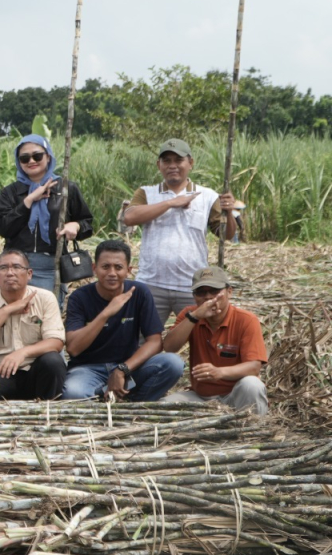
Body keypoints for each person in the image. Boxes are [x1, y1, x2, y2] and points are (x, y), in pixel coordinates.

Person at [121, 138, 237, 324]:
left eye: (178, 160)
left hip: (193, 285)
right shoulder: (146, 193)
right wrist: (170, 203)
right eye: (167, 161)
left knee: (202, 335)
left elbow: (226, 234)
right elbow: (130, 217)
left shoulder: (208, 196)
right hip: (151, 284)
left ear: (190, 163)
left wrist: (229, 212)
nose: (172, 166)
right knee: (142, 339)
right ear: (159, 165)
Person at [61, 240, 184, 402]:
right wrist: (106, 313)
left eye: (118, 267)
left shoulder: (139, 292)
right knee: (73, 392)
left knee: (173, 363)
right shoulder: (80, 297)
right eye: (105, 267)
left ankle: (130, 403)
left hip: (129, 367)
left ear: (128, 271)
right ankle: (106, 395)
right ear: (94, 269)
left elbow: (154, 342)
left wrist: (122, 370)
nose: (112, 273)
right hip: (88, 369)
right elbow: (73, 349)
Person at [0, 134, 93, 301]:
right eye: (24, 158)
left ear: (48, 156)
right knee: (14, 317)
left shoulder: (67, 189)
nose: (31, 161)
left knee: (46, 318)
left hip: (51, 265)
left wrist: (75, 226)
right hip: (16, 266)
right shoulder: (10, 192)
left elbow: (87, 223)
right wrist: (29, 201)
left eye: (37, 156)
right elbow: (4, 228)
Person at [162, 266, 269, 415]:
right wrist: (194, 317)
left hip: (235, 396)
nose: (208, 297)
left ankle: (254, 430)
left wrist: (220, 372)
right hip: (201, 398)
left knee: (252, 385)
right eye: (201, 292)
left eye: (214, 291)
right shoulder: (190, 315)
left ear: (229, 292)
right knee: (164, 406)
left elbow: (254, 367)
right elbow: (169, 347)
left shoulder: (246, 320)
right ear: (194, 296)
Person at [0, 249, 67, 401]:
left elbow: (56, 342)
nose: (10, 273)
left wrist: (23, 352)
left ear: (29, 274)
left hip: (34, 368)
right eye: (3, 268)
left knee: (53, 362)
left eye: (17, 267)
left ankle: (47, 412)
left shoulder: (45, 298)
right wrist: (7, 310)